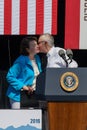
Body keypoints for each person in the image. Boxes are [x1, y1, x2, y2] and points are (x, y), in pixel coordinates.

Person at [6, 36, 42, 109]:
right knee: (18, 119)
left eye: (37, 44)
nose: (37, 46)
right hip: (18, 96)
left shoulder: (37, 58)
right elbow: (10, 76)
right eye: (34, 45)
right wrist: (23, 86)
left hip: (31, 95)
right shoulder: (20, 61)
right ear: (27, 49)